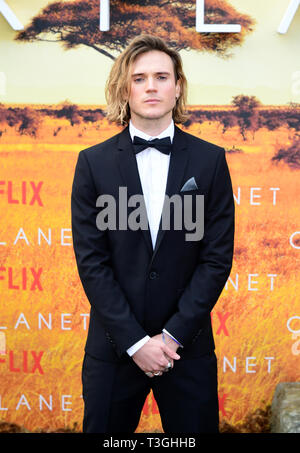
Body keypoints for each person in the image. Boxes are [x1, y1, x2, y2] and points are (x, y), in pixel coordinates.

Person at [71, 34, 235, 433]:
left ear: (177, 86)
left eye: (162, 76)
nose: (151, 86)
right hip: (113, 350)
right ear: (125, 88)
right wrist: (136, 342)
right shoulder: (92, 164)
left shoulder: (210, 161)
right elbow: (92, 263)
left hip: (187, 349)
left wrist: (173, 337)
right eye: (140, 77)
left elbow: (216, 259)